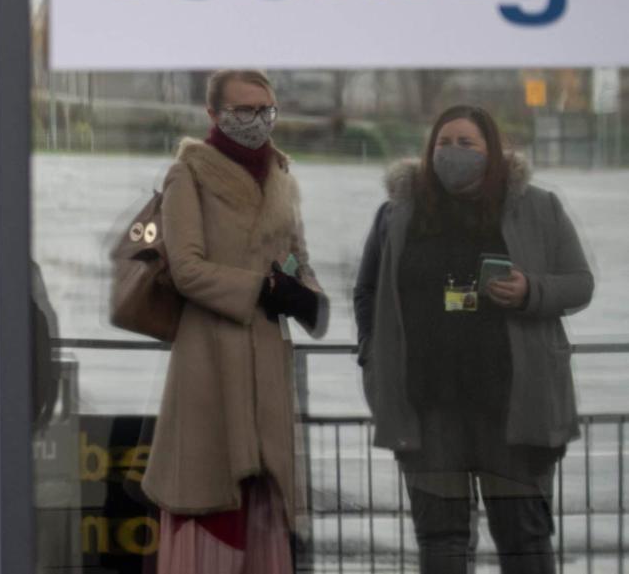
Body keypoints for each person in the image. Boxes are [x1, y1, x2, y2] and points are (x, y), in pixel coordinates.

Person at [355, 105, 594, 574]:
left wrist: (531, 290)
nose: (453, 152)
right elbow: (366, 291)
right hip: (428, 412)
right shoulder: (398, 214)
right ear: (429, 150)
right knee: (440, 543)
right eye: (444, 143)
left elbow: (579, 283)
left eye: (467, 143)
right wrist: (372, 355)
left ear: (493, 150)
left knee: (524, 539)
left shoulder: (537, 207)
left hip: (513, 410)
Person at [143, 70, 328, 574]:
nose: (257, 121)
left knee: (264, 508)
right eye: (244, 110)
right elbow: (186, 268)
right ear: (214, 115)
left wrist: (307, 298)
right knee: (208, 496)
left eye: (266, 109)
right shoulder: (189, 174)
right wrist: (260, 290)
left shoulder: (282, 177)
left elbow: (299, 258)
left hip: (267, 363)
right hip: (209, 362)